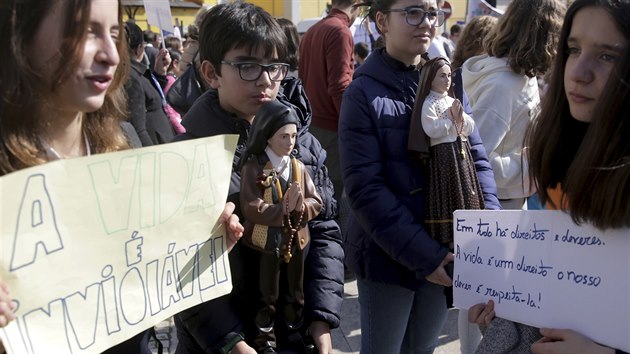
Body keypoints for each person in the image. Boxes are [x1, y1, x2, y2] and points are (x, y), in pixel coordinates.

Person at [0, 0, 245, 353]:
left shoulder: (122, 144)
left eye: (114, 35)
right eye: (85, 32)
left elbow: (142, 281)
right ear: (18, 38)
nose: (110, 56)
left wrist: (198, 246)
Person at [172, 3, 344, 354]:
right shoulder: (187, 156)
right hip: (222, 342)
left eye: (275, 67)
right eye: (247, 66)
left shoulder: (301, 142)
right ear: (211, 72)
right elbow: (178, 262)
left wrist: (322, 316)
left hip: (296, 333)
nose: (266, 80)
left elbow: (325, 228)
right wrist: (229, 341)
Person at [338, 0, 500, 353]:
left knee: (422, 348)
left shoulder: (448, 81)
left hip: (446, 251)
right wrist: (425, 256)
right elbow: (365, 188)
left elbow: (477, 160)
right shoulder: (363, 93)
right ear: (382, 21)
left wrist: (489, 229)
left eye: (431, 13)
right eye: (412, 12)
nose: (426, 22)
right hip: (389, 258)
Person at [470, 1, 630, 353]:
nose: (579, 72)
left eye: (608, 56)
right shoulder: (559, 152)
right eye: (573, 49)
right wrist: (507, 310)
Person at [462, 0, 565, 210]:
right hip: (496, 207)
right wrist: (532, 164)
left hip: (508, 201)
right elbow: (476, 159)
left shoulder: (521, 76)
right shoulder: (503, 86)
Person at [239, 101, 323, 353]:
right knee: (267, 296)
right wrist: (281, 210)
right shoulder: (254, 167)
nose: (290, 142)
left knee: (296, 293)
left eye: (294, 136)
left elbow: (316, 202)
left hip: (297, 240)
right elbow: (251, 206)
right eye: (283, 136)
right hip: (268, 243)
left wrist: (302, 207)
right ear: (267, 136)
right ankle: (266, 341)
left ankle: (294, 332)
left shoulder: (297, 167)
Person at [408, 57, 484, 249]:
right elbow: (431, 128)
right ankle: (449, 237)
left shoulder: (452, 100)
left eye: (449, 75)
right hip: (443, 155)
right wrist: (452, 123)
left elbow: (471, 125)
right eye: (442, 76)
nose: (447, 80)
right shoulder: (429, 102)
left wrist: (460, 120)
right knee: (448, 194)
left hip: (461, 152)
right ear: (430, 78)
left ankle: (468, 232)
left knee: (466, 190)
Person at [299, 0, 360, 206]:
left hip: (312, 126)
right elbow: (340, 86)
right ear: (357, 4)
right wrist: (351, 127)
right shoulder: (340, 31)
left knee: (314, 196)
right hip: (332, 129)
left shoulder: (313, 30)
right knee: (331, 201)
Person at [124, 21, 176, 146]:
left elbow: (152, 97)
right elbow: (138, 129)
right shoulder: (131, 76)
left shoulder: (136, 72)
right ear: (138, 49)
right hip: (155, 151)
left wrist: (159, 72)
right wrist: (152, 155)